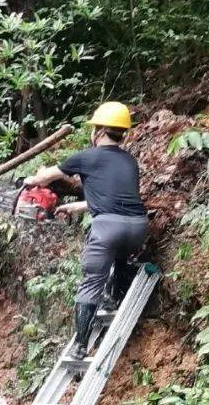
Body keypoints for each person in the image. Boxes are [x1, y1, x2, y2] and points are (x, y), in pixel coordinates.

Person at [23, 101, 148, 359]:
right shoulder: (130, 162)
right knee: (121, 257)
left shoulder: (86, 157)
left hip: (107, 229)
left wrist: (32, 180)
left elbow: (48, 176)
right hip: (138, 227)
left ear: (100, 130)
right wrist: (76, 207)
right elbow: (114, 199)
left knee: (92, 282)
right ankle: (114, 299)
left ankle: (81, 345)